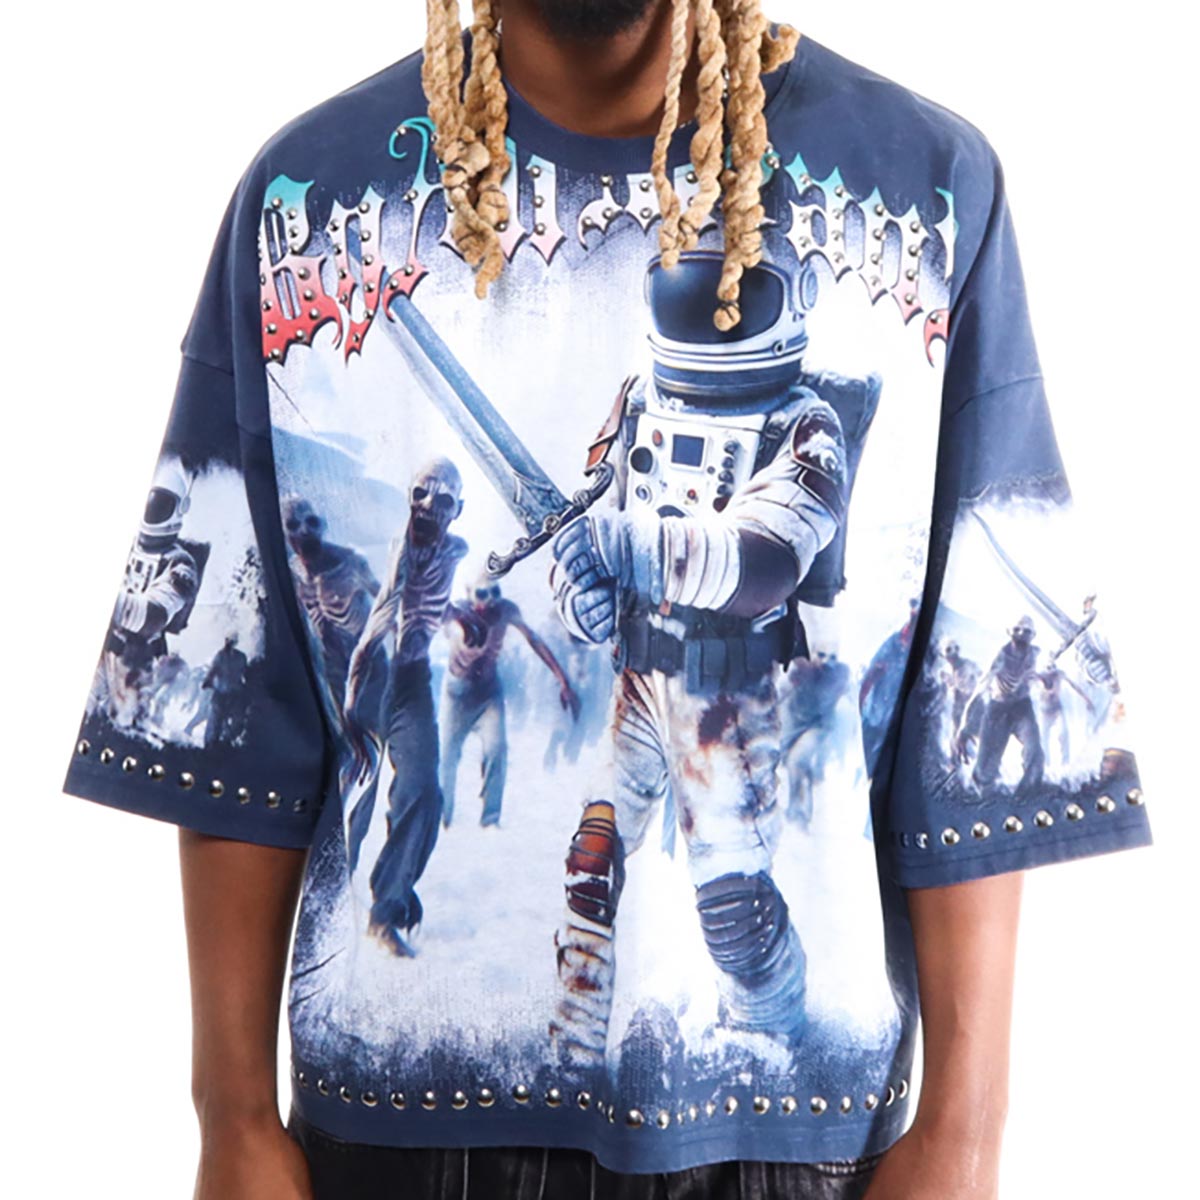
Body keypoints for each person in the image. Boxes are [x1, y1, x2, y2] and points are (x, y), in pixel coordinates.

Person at [59, 3, 1153, 1199]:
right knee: (596, 854)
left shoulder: (909, 226)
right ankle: (575, 1021)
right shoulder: (306, 198)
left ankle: (766, 1017)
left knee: (734, 904)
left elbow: (790, 576)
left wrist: (965, 1134)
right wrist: (231, 1120)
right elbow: (245, 715)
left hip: (751, 817)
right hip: (407, 1127)